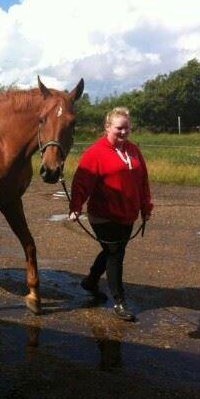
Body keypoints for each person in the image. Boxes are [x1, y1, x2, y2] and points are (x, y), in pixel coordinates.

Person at [68, 107, 152, 322]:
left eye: (126, 128)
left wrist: (145, 207)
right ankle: (119, 300)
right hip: (103, 214)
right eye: (119, 128)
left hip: (128, 212)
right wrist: (76, 206)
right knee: (115, 253)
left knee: (112, 250)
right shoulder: (95, 153)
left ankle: (91, 281)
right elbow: (81, 182)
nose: (123, 132)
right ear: (107, 127)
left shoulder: (133, 150)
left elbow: (142, 181)